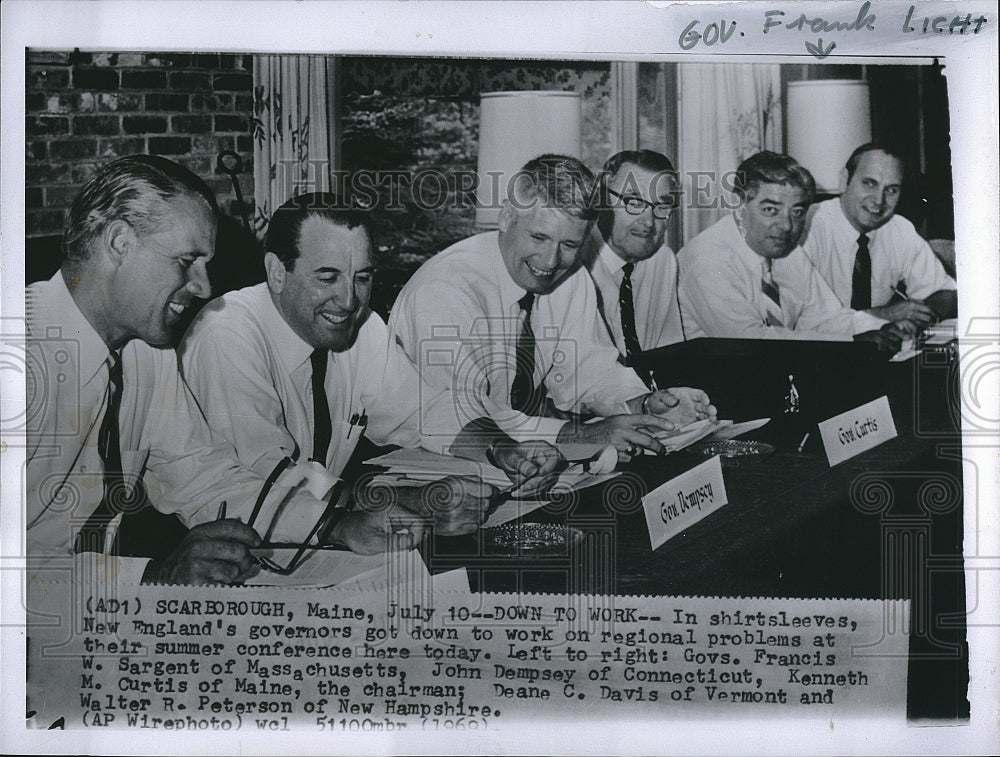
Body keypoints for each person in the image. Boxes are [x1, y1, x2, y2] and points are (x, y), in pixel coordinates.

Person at [27, 156, 433, 585]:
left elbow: (204, 477)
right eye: (187, 261)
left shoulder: (145, 352)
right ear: (119, 243)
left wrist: (334, 525)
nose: (204, 286)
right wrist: (149, 576)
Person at [179, 192, 561, 536]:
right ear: (277, 272)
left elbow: (423, 410)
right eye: (327, 277)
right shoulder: (227, 334)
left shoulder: (359, 327)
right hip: (228, 550)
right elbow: (270, 476)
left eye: (362, 278)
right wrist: (410, 500)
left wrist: (503, 448)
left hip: (321, 536)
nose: (348, 300)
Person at [389, 154, 715, 457]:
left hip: (521, 453)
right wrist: (576, 436)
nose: (550, 260)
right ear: (506, 217)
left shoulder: (568, 277)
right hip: (427, 460)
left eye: (570, 244)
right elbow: (460, 415)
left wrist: (643, 404)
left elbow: (588, 369)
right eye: (539, 237)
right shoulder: (447, 290)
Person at [677, 151, 910, 353]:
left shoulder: (785, 250)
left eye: (797, 212)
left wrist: (880, 329)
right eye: (770, 210)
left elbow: (825, 317)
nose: (787, 225)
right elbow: (749, 342)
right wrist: (851, 342)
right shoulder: (708, 259)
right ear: (739, 205)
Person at [800, 143, 957, 324]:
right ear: (844, 180)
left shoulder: (899, 229)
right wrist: (884, 314)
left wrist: (917, 318)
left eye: (891, 190)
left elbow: (944, 292)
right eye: (869, 184)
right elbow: (802, 322)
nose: (878, 200)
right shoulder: (807, 226)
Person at [584, 150, 686, 372]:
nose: (648, 222)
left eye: (661, 206)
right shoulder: (576, 259)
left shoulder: (662, 259)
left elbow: (670, 349)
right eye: (633, 202)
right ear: (601, 198)